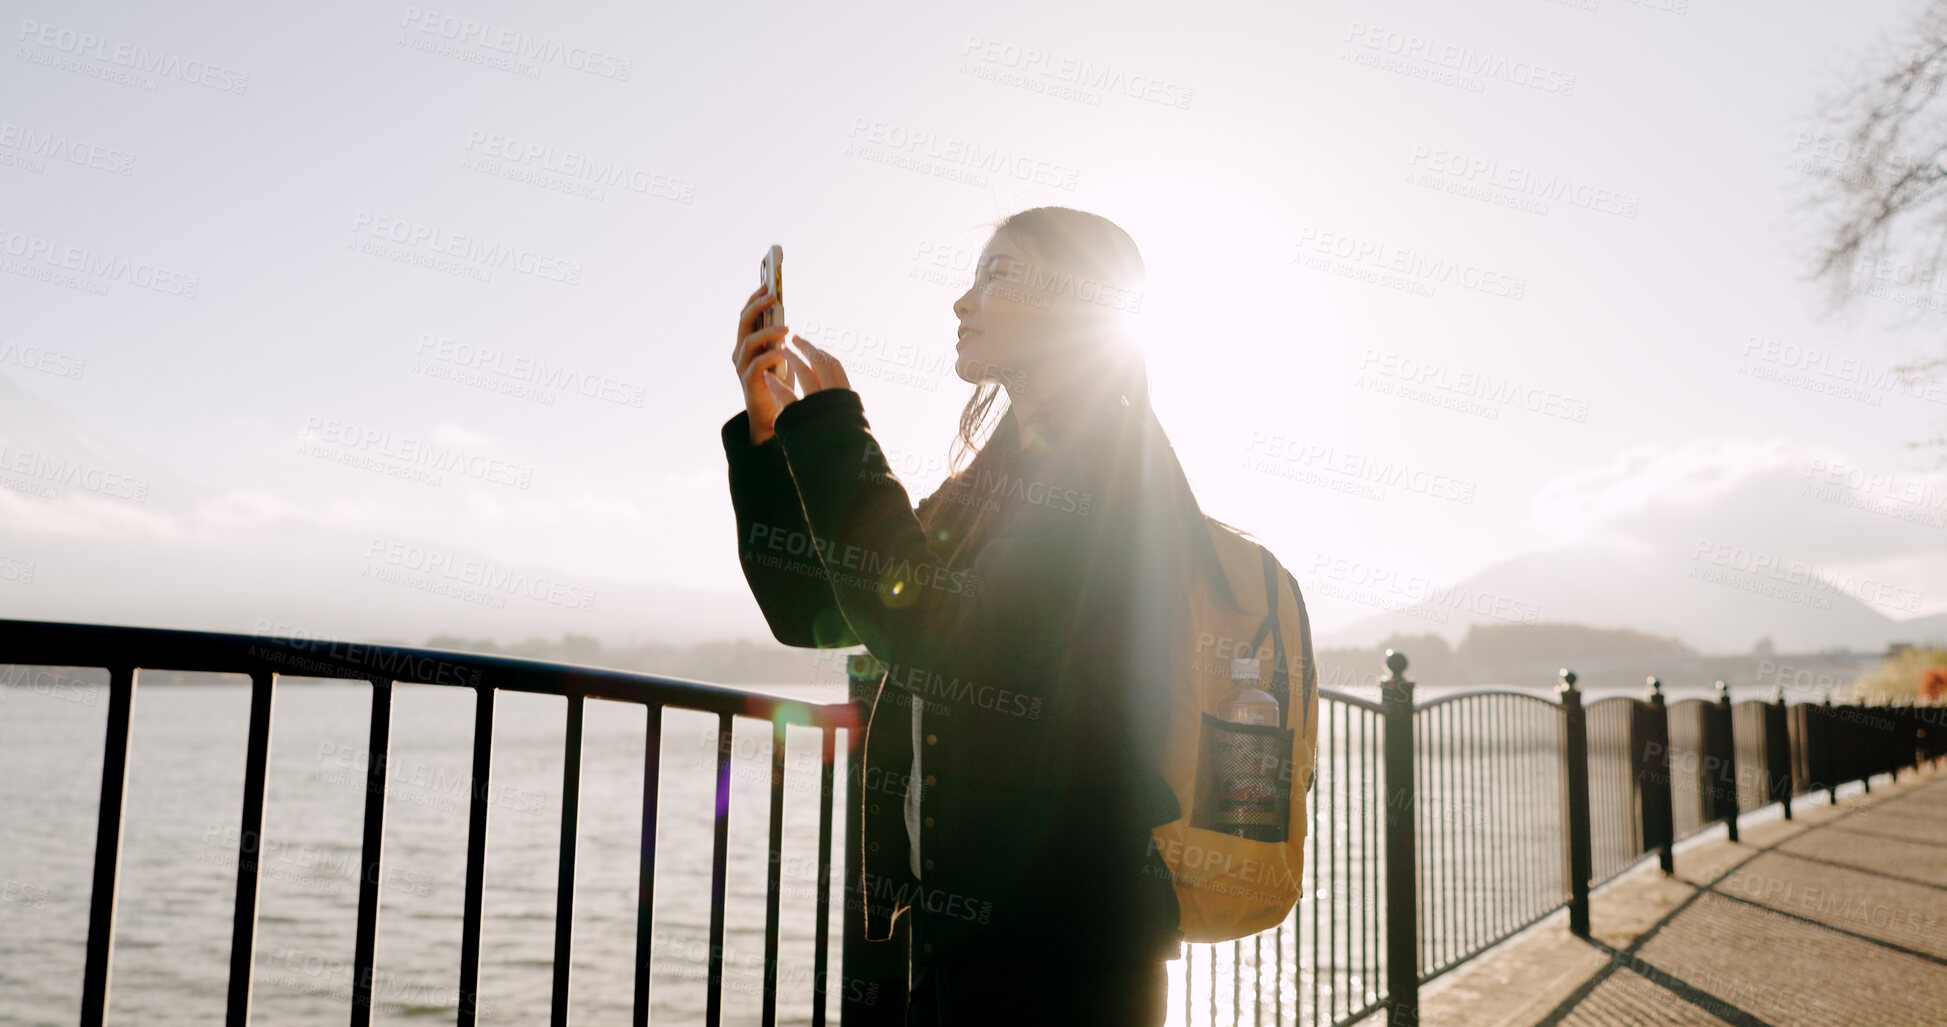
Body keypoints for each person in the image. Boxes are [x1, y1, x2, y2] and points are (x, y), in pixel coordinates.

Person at [722, 207, 1229, 1025]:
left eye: (997, 273)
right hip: (956, 942)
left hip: (1064, 950)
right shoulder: (992, 482)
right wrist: (770, 432)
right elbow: (813, 608)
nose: (963, 301)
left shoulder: (1107, 472)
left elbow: (940, 641)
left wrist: (837, 431)